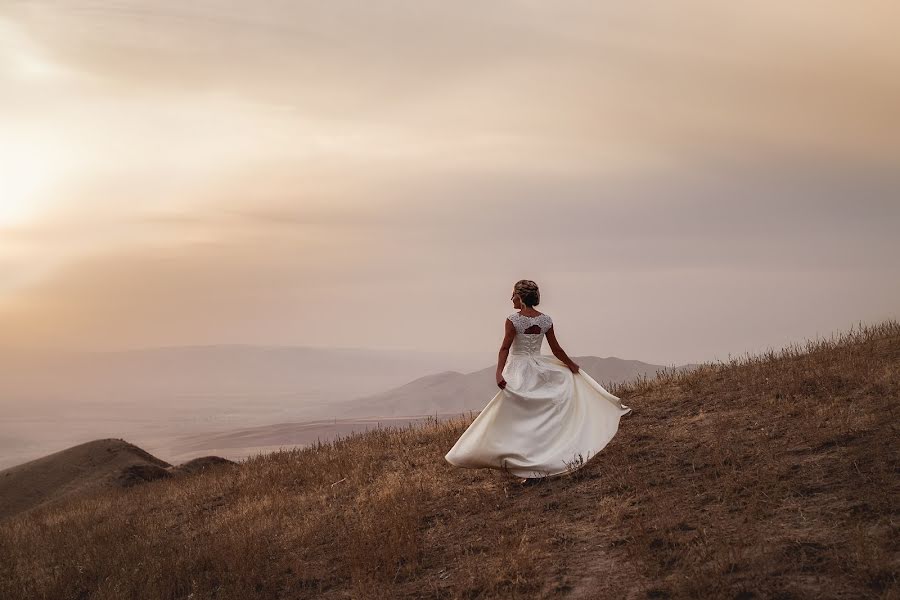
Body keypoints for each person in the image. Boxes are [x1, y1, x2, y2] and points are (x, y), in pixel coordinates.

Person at [444, 279, 631, 482]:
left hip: (519, 370)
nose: (511, 299)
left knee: (516, 415)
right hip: (539, 368)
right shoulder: (545, 320)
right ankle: (535, 457)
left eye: (513, 295)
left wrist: (498, 373)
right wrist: (570, 365)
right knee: (535, 414)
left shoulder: (513, 320)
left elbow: (505, 348)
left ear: (521, 298)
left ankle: (518, 458)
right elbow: (556, 349)